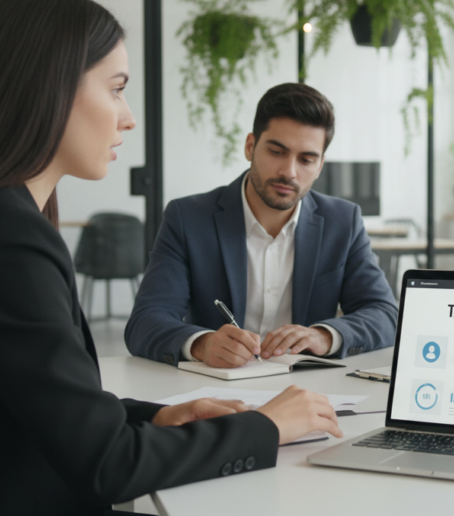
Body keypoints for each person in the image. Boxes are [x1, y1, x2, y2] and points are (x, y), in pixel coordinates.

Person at [0, 0, 342, 515]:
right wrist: (265, 426)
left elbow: (35, 404)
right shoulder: (5, 238)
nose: (128, 117)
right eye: (116, 89)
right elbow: (109, 465)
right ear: (48, 87)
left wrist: (155, 417)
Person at [124, 83, 397, 368]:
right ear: (250, 146)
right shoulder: (188, 218)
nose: (289, 172)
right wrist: (202, 344)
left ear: (319, 166)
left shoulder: (343, 221)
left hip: (308, 386)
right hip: (218, 385)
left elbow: (385, 314)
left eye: (306, 160)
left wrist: (325, 336)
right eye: (277, 152)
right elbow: (145, 321)